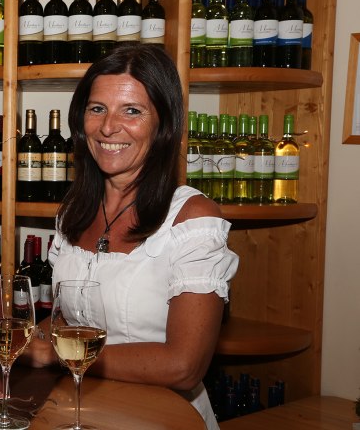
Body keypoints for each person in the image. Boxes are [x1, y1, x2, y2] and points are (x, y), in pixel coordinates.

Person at [23, 45, 239, 429]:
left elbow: (184, 365)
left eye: (132, 111)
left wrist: (56, 354)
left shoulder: (192, 219)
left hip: (164, 418)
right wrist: (23, 336)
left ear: (163, 124)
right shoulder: (73, 211)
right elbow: (66, 320)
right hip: (82, 413)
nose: (108, 127)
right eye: (97, 108)